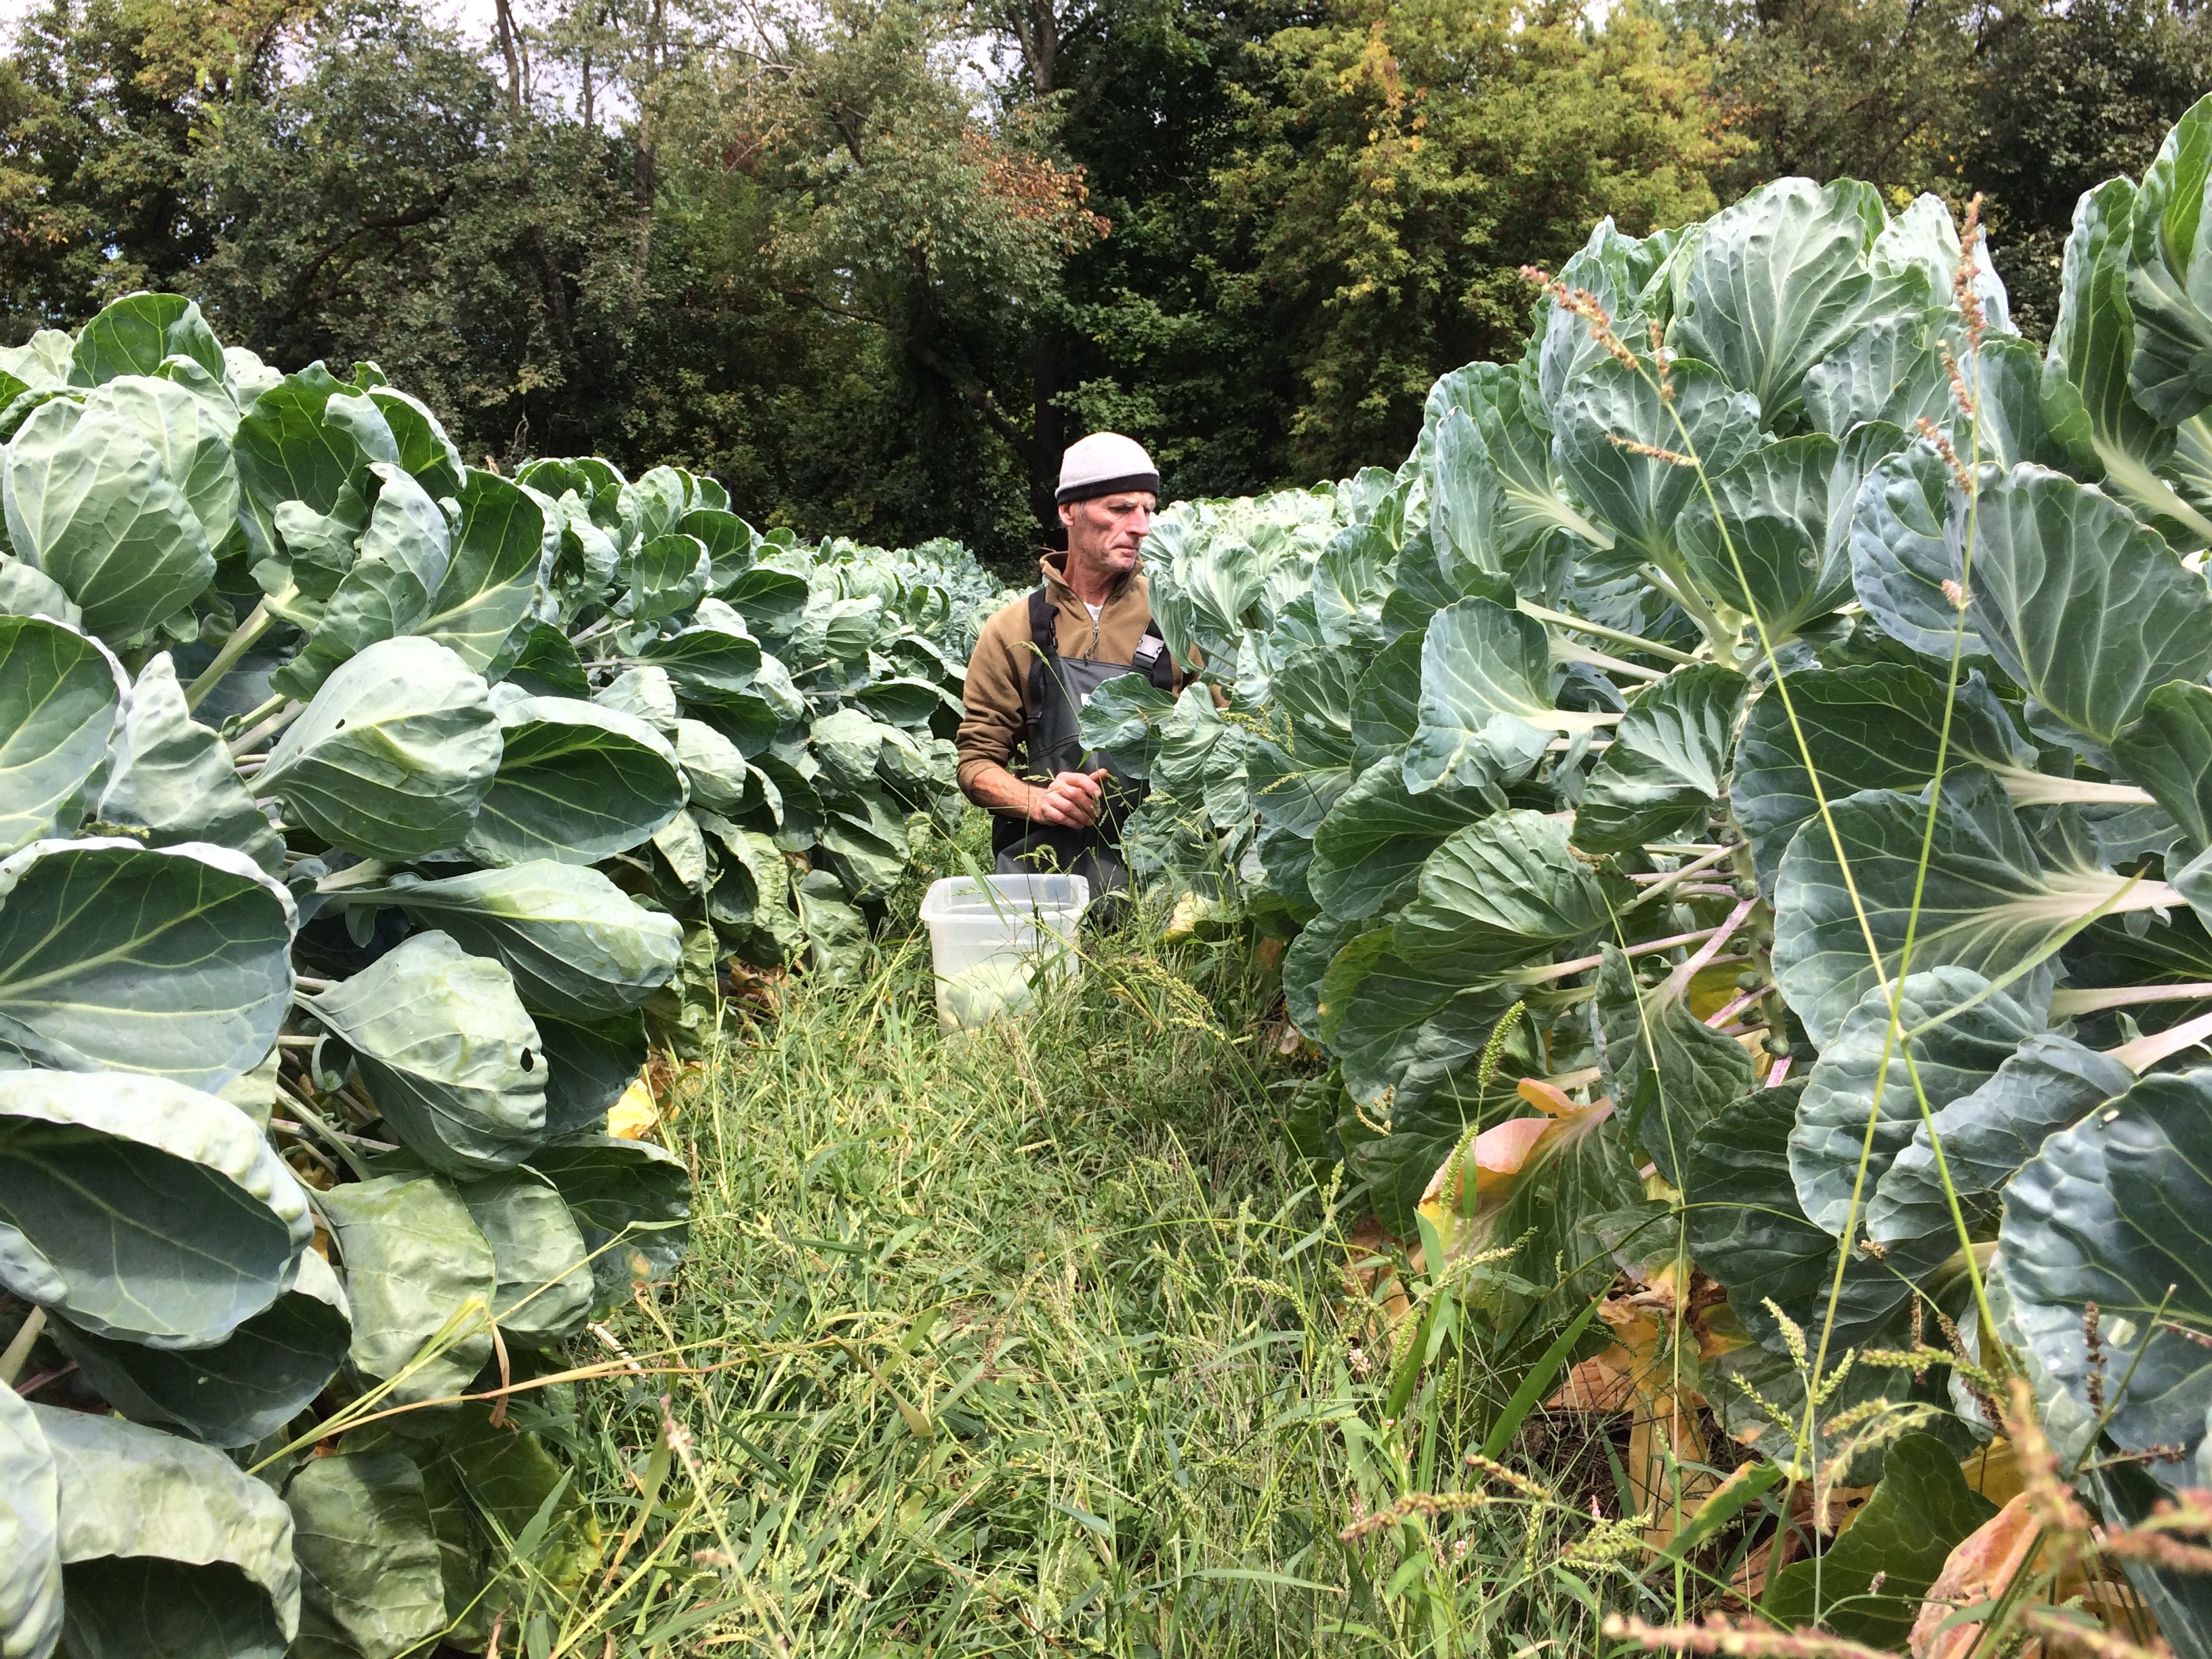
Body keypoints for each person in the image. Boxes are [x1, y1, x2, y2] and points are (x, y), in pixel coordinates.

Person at [956, 432, 1185, 895]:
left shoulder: (1179, 618)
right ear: (1068, 512)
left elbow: (1231, 746)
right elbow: (976, 764)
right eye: (1121, 509)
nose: (1141, 527)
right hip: (1043, 889)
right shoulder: (1013, 628)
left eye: (1148, 510)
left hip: (1163, 892)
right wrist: (1037, 801)